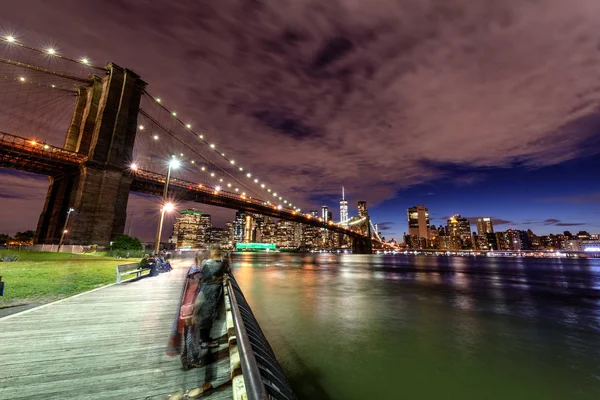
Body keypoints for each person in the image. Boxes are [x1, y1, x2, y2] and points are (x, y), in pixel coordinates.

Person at [193, 245, 229, 349]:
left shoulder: (205, 263)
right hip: (213, 291)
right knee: (208, 315)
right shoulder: (222, 263)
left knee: (206, 315)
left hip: (204, 289)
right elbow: (227, 271)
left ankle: (204, 338)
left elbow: (205, 275)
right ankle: (204, 341)